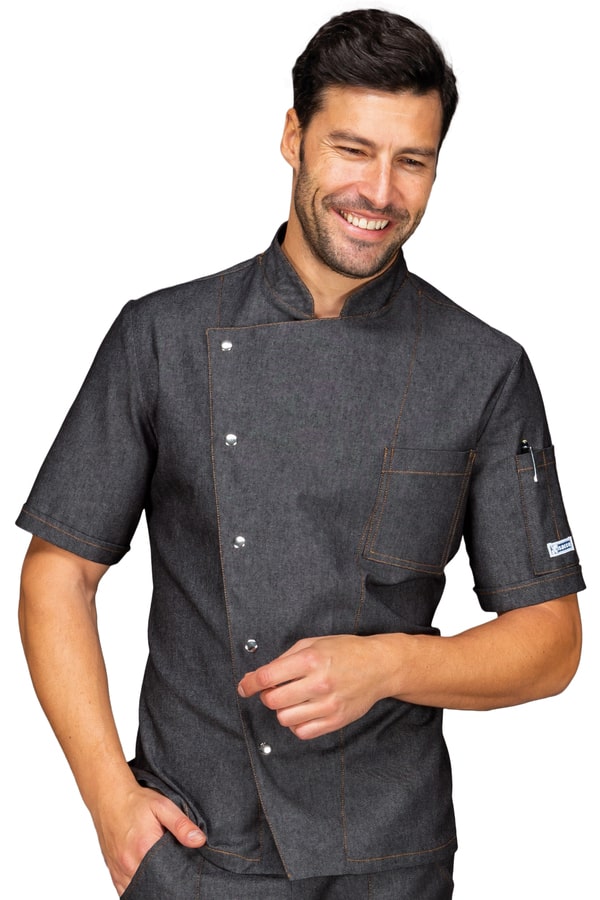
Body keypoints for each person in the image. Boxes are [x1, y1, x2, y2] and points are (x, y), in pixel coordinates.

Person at [17, 8, 585, 899]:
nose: (380, 192)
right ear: (293, 138)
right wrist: (108, 802)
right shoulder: (162, 338)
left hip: (392, 861)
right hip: (196, 846)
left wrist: (389, 664)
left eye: (413, 161)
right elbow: (59, 574)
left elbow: (551, 643)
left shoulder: (483, 368)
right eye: (353, 150)